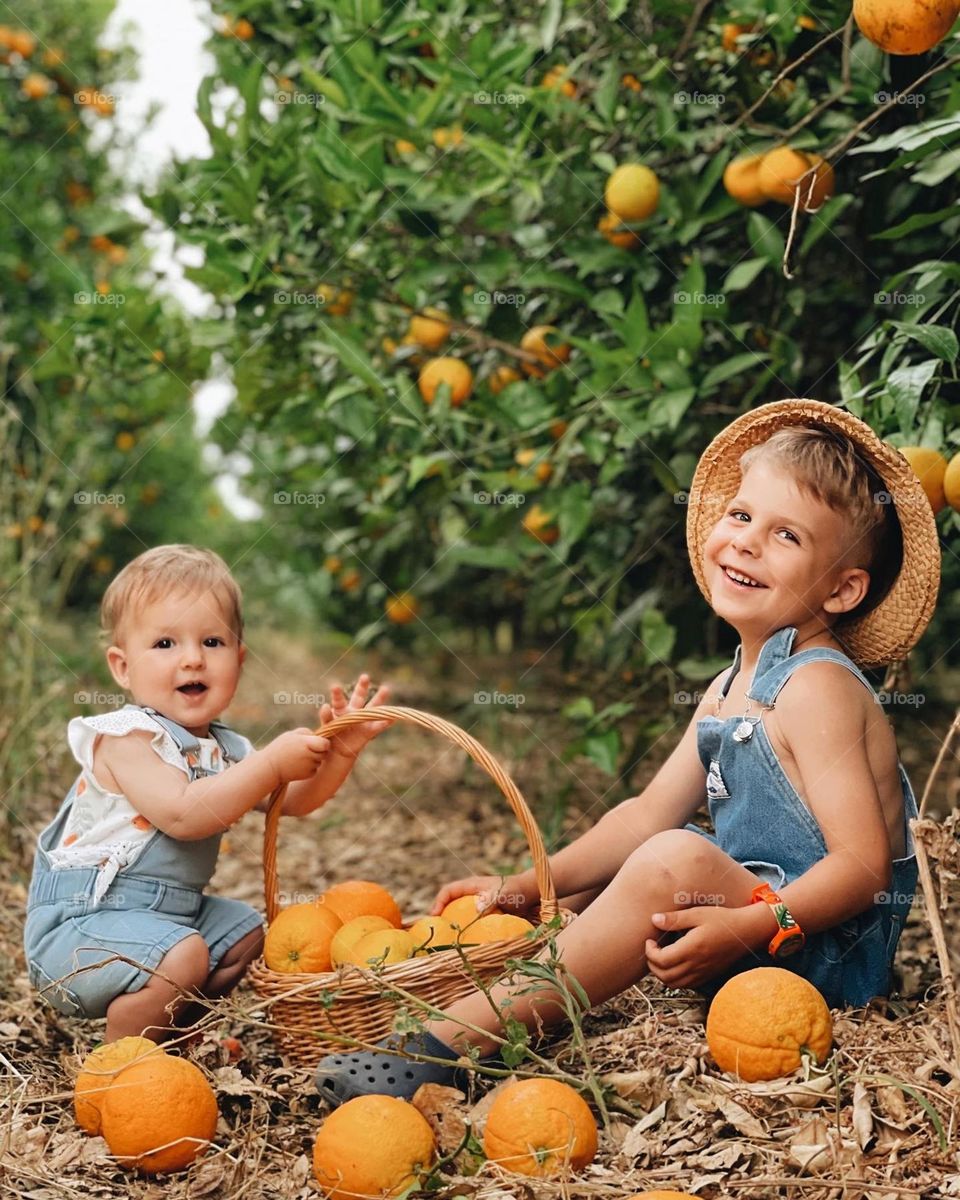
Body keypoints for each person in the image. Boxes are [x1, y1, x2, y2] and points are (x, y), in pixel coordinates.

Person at [314, 397, 941, 1105]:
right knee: (603, 875)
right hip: (743, 921)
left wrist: (747, 924)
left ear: (842, 590)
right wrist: (528, 885)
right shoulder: (730, 684)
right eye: (741, 516)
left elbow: (859, 870)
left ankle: (448, 1043)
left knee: (673, 858)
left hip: (818, 951)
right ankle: (522, 963)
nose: (746, 542)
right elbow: (645, 813)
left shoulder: (818, 688)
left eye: (786, 535)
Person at [24, 545, 388, 1043]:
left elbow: (295, 800)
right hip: (80, 931)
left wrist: (340, 753)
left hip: (167, 919)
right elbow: (182, 814)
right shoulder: (126, 738)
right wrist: (269, 762)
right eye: (166, 643)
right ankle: (122, 1065)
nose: (192, 658)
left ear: (238, 659)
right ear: (122, 667)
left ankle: (170, 1033)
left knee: (244, 933)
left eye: (212, 641)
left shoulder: (224, 747)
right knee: (187, 953)